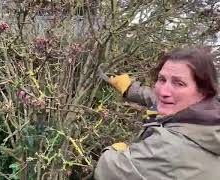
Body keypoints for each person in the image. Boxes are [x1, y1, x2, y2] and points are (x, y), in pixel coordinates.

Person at [94, 47, 220, 180]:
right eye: (162, 79)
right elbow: (158, 98)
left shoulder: (169, 148)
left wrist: (113, 153)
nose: (163, 91)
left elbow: (109, 171)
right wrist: (130, 89)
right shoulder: (210, 118)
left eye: (179, 83)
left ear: (204, 91)